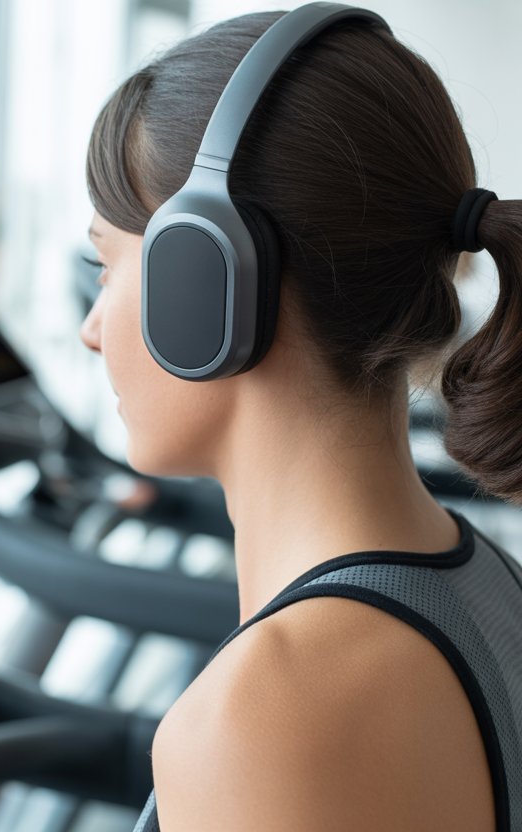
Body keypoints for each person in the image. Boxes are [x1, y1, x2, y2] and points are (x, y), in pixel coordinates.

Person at [79, 9, 522, 832]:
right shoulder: (481, 574)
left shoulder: (271, 714)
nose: (91, 327)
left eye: (105, 266)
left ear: (206, 280)